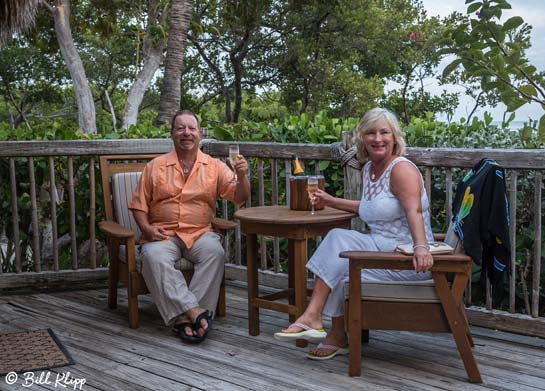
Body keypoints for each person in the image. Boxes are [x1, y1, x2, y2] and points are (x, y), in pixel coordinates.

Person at [274, 107, 434, 360]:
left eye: (384, 132)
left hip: (405, 260)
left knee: (340, 249)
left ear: (395, 138)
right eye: (371, 133)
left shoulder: (402, 169)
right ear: (362, 138)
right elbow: (369, 208)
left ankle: (320, 323)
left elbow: (413, 210)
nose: (378, 139)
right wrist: (329, 200)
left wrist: (421, 248)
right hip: (379, 248)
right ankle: (327, 328)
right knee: (339, 250)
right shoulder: (369, 169)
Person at [129, 110, 249, 343]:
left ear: (200, 134)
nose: (187, 133)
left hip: (200, 232)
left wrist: (242, 176)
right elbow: (138, 205)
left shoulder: (214, 166)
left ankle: (184, 318)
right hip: (163, 233)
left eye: (192, 129)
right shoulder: (156, 166)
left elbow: (239, 197)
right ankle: (196, 313)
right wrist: (147, 229)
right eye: (181, 128)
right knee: (153, 256)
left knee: (215, 252)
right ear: (172, 134)